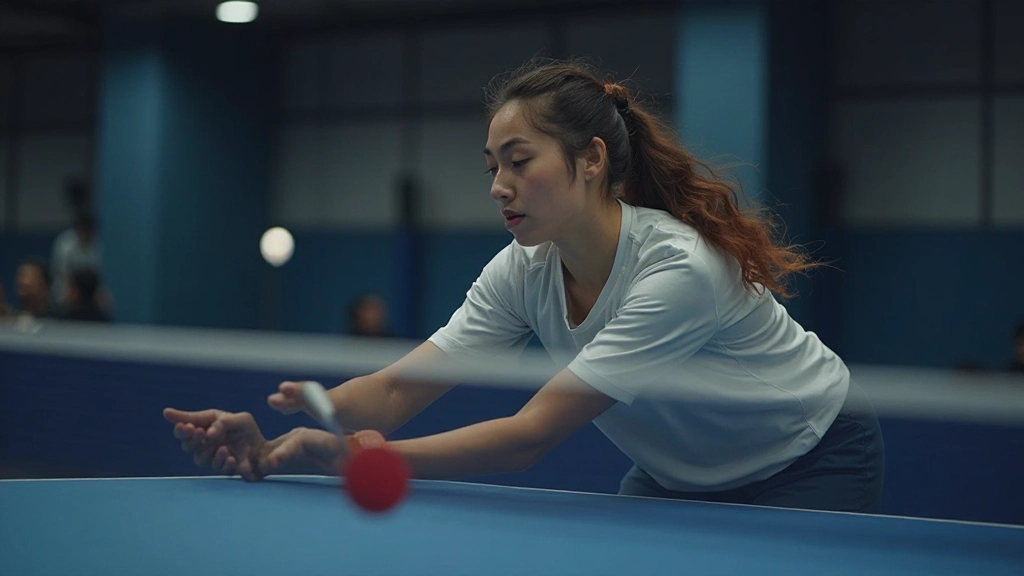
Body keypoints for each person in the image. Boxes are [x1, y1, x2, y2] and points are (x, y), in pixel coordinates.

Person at [164, 58, 885, 513]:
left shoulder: (677, 272)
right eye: (491, 168)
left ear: (592, 159)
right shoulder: (523, 267)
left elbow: (528, 437)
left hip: (809, 457)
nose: (500, 187)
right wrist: (284, 432)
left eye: (519, 161)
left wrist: (357, 457)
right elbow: (395, 391)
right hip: (677, 474)